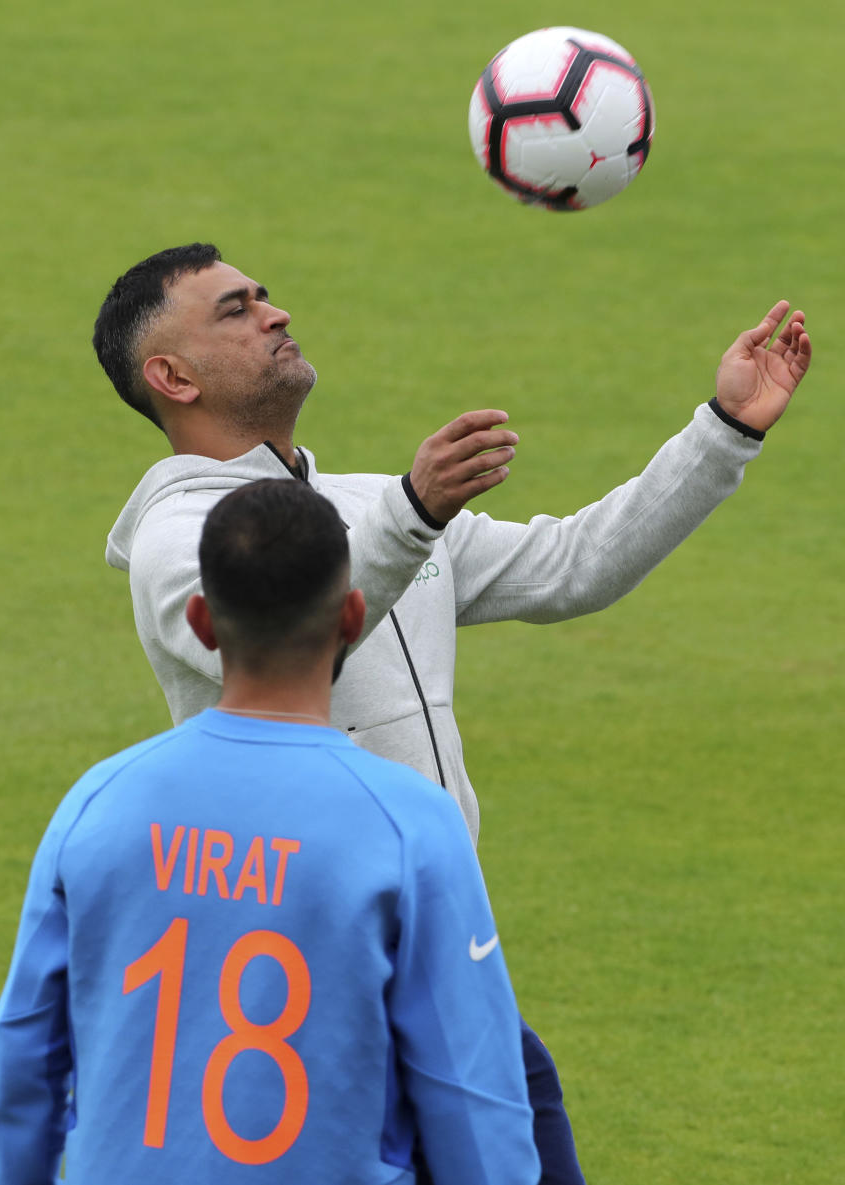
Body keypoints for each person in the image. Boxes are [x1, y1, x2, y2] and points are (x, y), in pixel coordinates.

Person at [92, 242, 812, 1184]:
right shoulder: (175, 540)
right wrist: (412, 513)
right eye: (234, 310)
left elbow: (574, 565)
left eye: (264, 296)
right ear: (171, 375)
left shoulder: (369, 506)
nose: (273, 313)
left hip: (448, 975)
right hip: (304, 999)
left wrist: (724, 430)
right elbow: (273, 633)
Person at [0, 479, 540, 1185]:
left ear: (204, 622)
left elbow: (21, 1066)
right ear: (353, 616)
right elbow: (475, 1100)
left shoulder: (99, 804)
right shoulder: (409, 822)